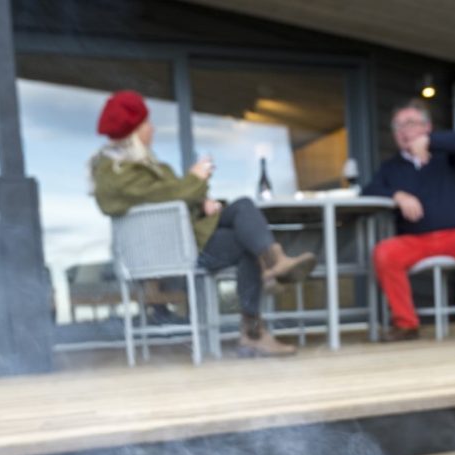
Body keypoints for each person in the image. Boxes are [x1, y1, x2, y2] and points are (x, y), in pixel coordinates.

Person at [90, 90, 314, 359]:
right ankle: (264, 296)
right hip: (172, 251)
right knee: (246, 234)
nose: (152, 128)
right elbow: (169, 195)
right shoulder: (117, 175)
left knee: (242, 212)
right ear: (134, 132)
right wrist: (195, 180)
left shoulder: (135, 170)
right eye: (146, 123)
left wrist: (200, 203)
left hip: (185, 240)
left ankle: (273, 266)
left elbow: (163, 197)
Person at [363, 100, 455, 341]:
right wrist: (397, 195)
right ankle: (406, 324)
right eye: (397, 126)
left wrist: (431, 142)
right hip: (414, 240)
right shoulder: (390, 168)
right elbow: (368, 191)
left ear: (426, 127)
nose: (404, 130)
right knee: (383, 252)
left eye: (410, 123)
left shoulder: (448, 156)